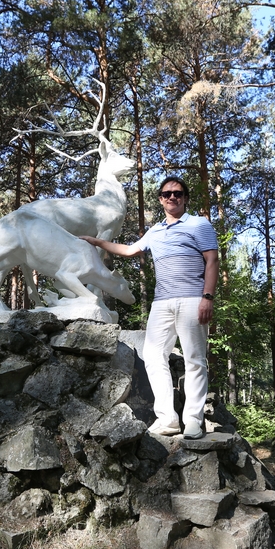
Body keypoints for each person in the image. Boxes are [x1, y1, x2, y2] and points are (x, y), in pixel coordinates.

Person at [80, 176, 219, 439]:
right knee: (153, 356)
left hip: (192, 299)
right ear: (160, 199)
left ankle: (192, 421)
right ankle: (167, 419)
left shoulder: (199, 224)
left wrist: (207, 297)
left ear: (185, 198)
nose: (172, 198)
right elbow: (131, 250)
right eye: (167, 194)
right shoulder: (155, 231)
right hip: (162, 302)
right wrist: (97, 242)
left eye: (177, 193)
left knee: (195, 360)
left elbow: (212, 260)